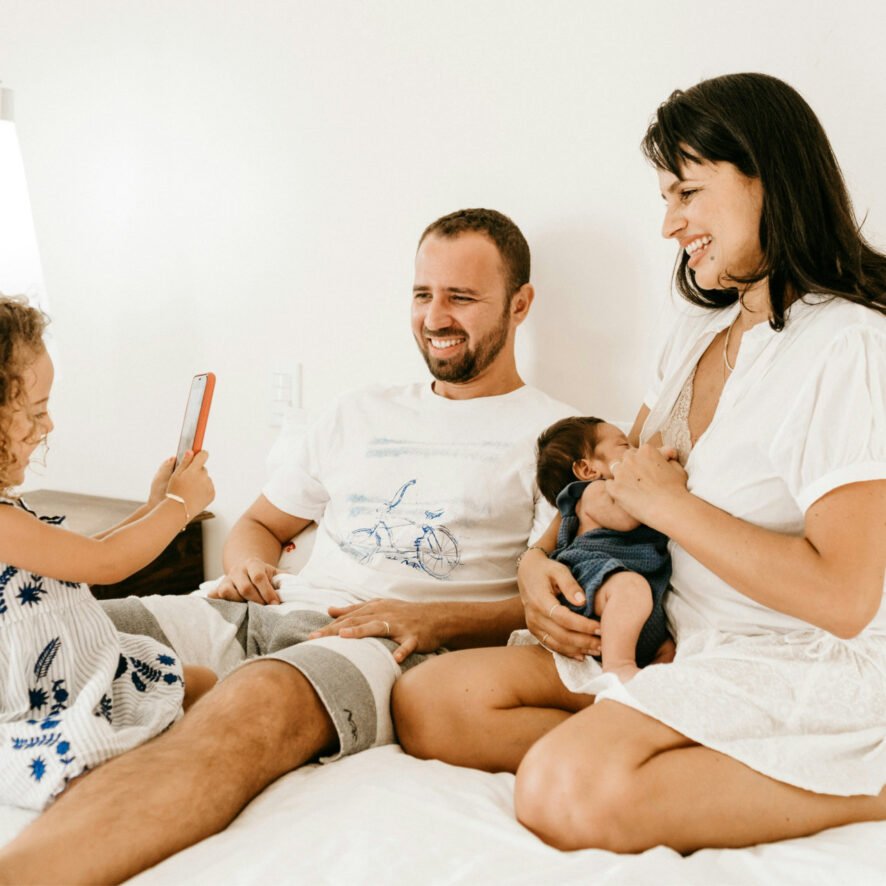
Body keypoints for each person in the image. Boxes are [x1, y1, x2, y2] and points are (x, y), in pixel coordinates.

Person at [0, 208, 576, 883]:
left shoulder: (562, 437)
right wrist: (248, 567)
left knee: (246, 713)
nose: (434, 316)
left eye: (462, 297)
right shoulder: (357, 411)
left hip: (374, 643)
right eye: (423, 293)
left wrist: (433, 619)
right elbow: (260, 526)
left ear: (520, 304)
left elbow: (553, 605)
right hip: (255, 608)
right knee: (63, 631)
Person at [394, 72, 886, 853]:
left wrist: (674, 508)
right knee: (430, 702)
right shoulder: (700, 331)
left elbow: (846, 597)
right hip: (673, 633)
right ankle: (658, 743)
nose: (669, 224)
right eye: (664, 198)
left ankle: (868, 787)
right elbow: (615, 478)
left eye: (687, 193)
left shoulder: (847, 345)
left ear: (769, 177)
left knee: (561, 790)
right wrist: (536, 561)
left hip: (794, 656)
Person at [0, 296, 216, 812]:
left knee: (203, 682)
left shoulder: (10, 513)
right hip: (41, 702)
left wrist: (153, 507)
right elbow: (107, 565)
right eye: (36, 411)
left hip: (80, 674)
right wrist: (180, 508)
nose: (49, 425)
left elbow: (84, 558)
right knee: (91, 756)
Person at [531, 416, 671, 681]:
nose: (636, 451)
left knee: (667, 646)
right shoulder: (594, 492)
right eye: (625, 446)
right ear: (587, 470)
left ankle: (647, 678)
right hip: (592, 580)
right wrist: (657, 465)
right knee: (630, 588)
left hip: (632, 602)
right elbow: (627, 516)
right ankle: (618, 666)